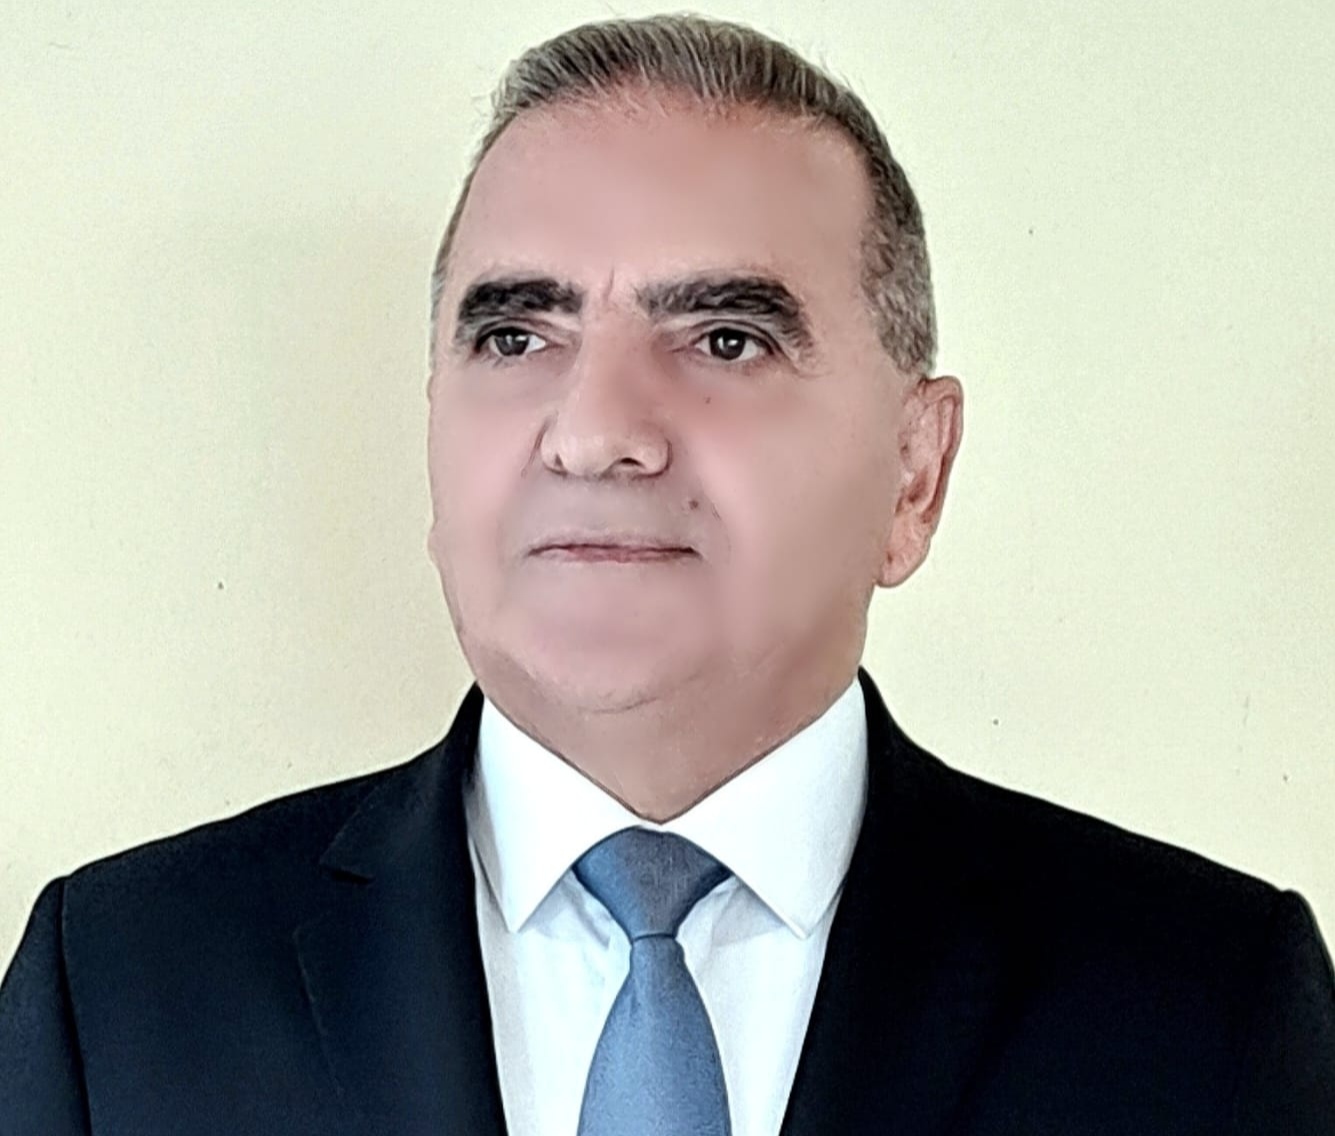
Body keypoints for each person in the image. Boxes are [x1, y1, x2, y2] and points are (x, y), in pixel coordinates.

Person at [2, 13, 1332, 1134]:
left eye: (726, 338)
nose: (594, 432)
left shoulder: (1208, 1008)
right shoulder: (117, 992)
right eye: (516, 335)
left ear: (913, 475)